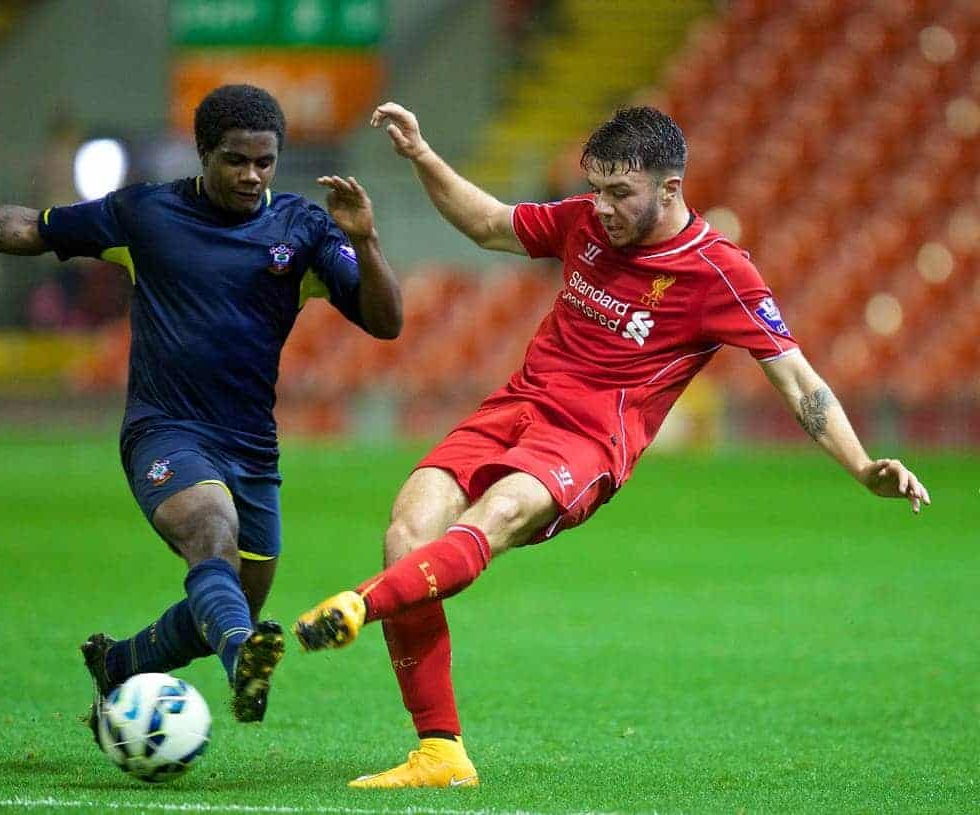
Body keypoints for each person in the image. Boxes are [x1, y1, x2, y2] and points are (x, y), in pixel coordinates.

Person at [292, 102, 931, 788]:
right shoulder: (587, 223)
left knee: (499, 514)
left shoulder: (719, 273)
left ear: (671, 188)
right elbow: (487, 223)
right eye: (594, 188)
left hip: (588, 440)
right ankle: (440, 753)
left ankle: (358, 603)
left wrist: (863, 465)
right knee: (405, 532)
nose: (601, 208)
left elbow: (799, 380)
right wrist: (421, 154)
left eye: (619, 193)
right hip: (515, 406)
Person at [0, 84, 404, 728]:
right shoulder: (146, 215)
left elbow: (385, 323)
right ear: (203, 154)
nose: (251, 175)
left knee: (227, 600)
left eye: (264, 162)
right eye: (235, 160)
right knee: (212, 537)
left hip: (252, 447)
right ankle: (243, 658)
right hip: (165, 431)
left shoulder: (302, 229)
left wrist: (368, 240)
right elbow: (28, 228)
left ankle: (120, 664)